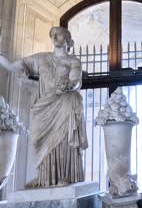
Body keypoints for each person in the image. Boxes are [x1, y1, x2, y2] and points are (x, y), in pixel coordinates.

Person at [0, 26, 88, 188]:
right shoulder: (40, 58)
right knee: (43, 141)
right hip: (45, 106)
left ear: (68, 40)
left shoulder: (73, 61)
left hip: (65, 103)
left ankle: (64, 175)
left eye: (59, 34)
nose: (55, 37)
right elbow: (13, 66)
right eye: (52, 34)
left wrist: (68, 85)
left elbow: (76, 81)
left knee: (62, 140)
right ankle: (46, 178)